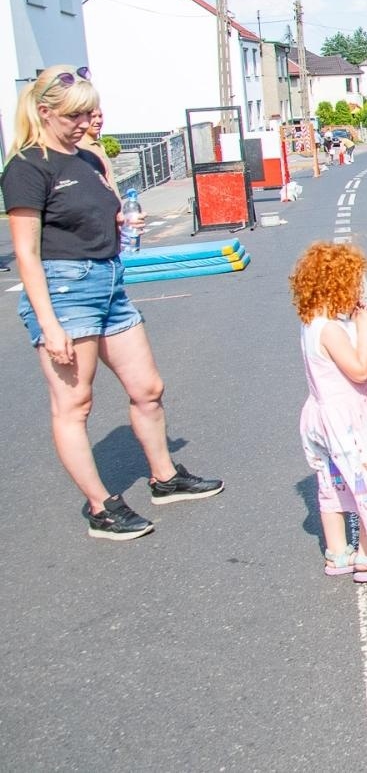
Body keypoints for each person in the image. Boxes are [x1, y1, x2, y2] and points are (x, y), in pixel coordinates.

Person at [1, 66, 223, 541]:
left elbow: (102, 213)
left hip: (109, 281)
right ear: (44, 112)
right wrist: (48, 322)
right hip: (64, 289)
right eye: (74, 116)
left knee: (148, 387)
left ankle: (165, 478)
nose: (85, 123)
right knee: (74, 403)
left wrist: (123, 222)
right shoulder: (26, 167)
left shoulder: (86, 159)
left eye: (88, 114)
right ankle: (101, 507)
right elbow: (26, 253)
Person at [289, 242, 367, 580]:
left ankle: (337, 551)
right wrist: (364, 330)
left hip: (322, 415)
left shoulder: (312, 322)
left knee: (331, 485)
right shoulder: (331, 329)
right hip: (348, 421)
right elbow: (359, 370)